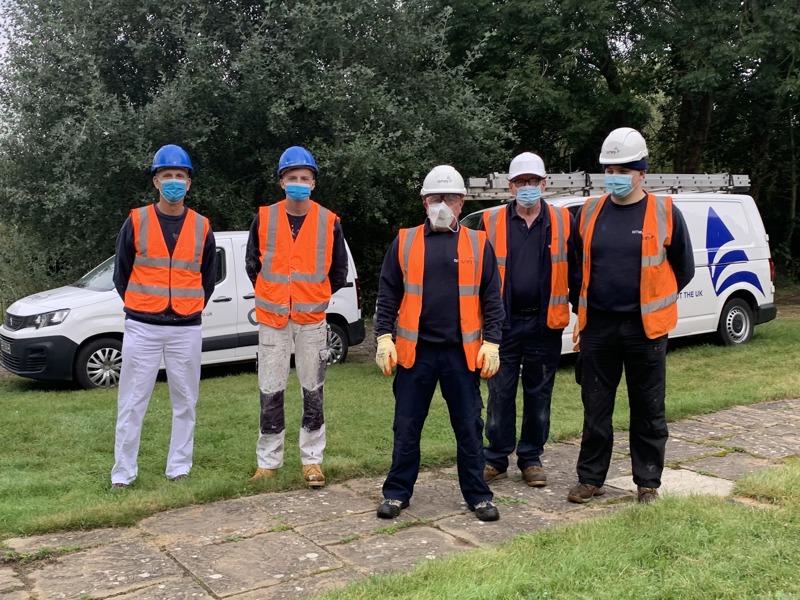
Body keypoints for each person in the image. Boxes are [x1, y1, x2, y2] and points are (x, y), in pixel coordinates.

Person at [568, 127, 694, 504]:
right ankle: (590, 479)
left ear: (642, 173)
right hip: (599, 328)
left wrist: (654, 302)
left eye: (623, 170)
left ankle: (647, 483)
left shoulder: (665, 212)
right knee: (596, 408)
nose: (615, 177)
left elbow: (682, 269)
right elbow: (577, 266)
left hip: (646, 329)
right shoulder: (589, 212)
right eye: (609, 169)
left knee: (649, 410)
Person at [374, 165, 505, 522]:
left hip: (461, 356)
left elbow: (493, 298)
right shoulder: (405, 241)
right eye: (436, 198)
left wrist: (492, 342)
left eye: (450, 198)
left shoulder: (478, 244)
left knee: (468, 427)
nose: (443, 204)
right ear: (424, 202)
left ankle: (478, 495)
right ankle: (397, 492)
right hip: (415, 354)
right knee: (406, 426)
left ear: (462, 202)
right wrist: (384, 336)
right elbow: (387, 293)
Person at [111, 144, 217, 489]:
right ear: (156, 182)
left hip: (186, 327)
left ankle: (179, 468)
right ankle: (123, 474)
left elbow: (207, 278)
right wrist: (140, 307)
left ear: (189, 183)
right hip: (142, 326)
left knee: (185, 401)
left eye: (180, 176)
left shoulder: (202, 226)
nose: (174, 181)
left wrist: (189, 308)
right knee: (132, 402)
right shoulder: (137, 220)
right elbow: (121, 273)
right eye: (167, 175)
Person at [245, 146, 348, 488]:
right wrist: (275, 297)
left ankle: (312, 461)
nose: (299, 183)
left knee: (313, 389)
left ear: (314, 183)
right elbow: (252, 265)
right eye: (293, 178)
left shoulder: (329, 221)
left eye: (305, 178)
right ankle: (268, 462)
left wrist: (313, 298)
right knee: (270, 389)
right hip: (273, 319)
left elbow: (338, 271)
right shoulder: (264, 218)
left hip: (312, 320)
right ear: (281, 182)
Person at [480, 152, 580, 488]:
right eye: (521, 182)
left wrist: (583, 312)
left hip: (544, 324)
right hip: (502, 325)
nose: (527, 187)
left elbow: (578, 271)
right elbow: (477, 274)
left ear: (544, 184)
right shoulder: (491, 221)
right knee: (499, 393)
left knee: (539, 395)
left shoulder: (564, 220)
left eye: (533, 181)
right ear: (510, 186)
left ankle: (531, 458)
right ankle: (496, 458)